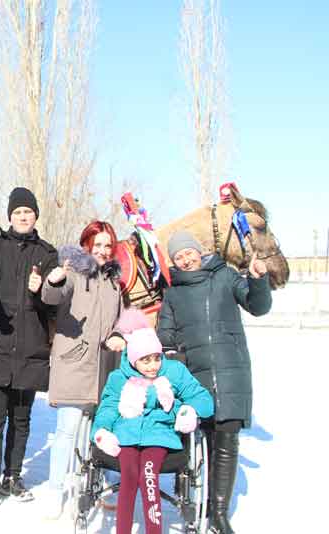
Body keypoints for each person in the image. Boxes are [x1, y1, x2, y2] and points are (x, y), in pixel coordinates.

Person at [157, 230, 271, 534]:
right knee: (201, 441)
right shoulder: (174, 293)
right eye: (178, 257)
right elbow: (165, 332)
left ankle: (218, 513)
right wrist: (167, 347)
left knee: (227, 440)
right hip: (195, 376)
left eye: (188, 253)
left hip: (231, 369)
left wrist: (259, 280)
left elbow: (258, 306)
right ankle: (197, 500)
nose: (185, 259)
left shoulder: (225, 276)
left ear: (199, 251)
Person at [0, 187, 58, 515]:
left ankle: (12, 476)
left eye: (28, 212)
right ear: (10, 216)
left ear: (35, 216)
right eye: (17, 212)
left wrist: (44, 290)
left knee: (21, 420)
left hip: (30, 349)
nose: (23, 216)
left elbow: (54, 303)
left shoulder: (47, 254)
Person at [92, 311, 214, 534]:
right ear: (133, 360)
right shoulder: (119, 378)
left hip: (160, 434)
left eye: (156, 358)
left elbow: (204, 399)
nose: (152, 366)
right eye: (145, 361)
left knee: (148, 475)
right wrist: (101, 432)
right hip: (126, 434)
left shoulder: (174, 372)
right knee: (129, 475)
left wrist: (189, 411)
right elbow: (107, 408)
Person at [38, 221, 127, 518]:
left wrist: (120, 334)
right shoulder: (75, 274)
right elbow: (52, 297)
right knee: (67, 429)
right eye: (97, 245)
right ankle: (55, 489)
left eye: (107, 246)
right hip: (75, 362)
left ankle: (95, 481)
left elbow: (120, 320)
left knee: (101, 429)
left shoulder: (115, 282)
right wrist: (54, 280)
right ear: (87, 246)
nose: (102, 251)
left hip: (105, 366)